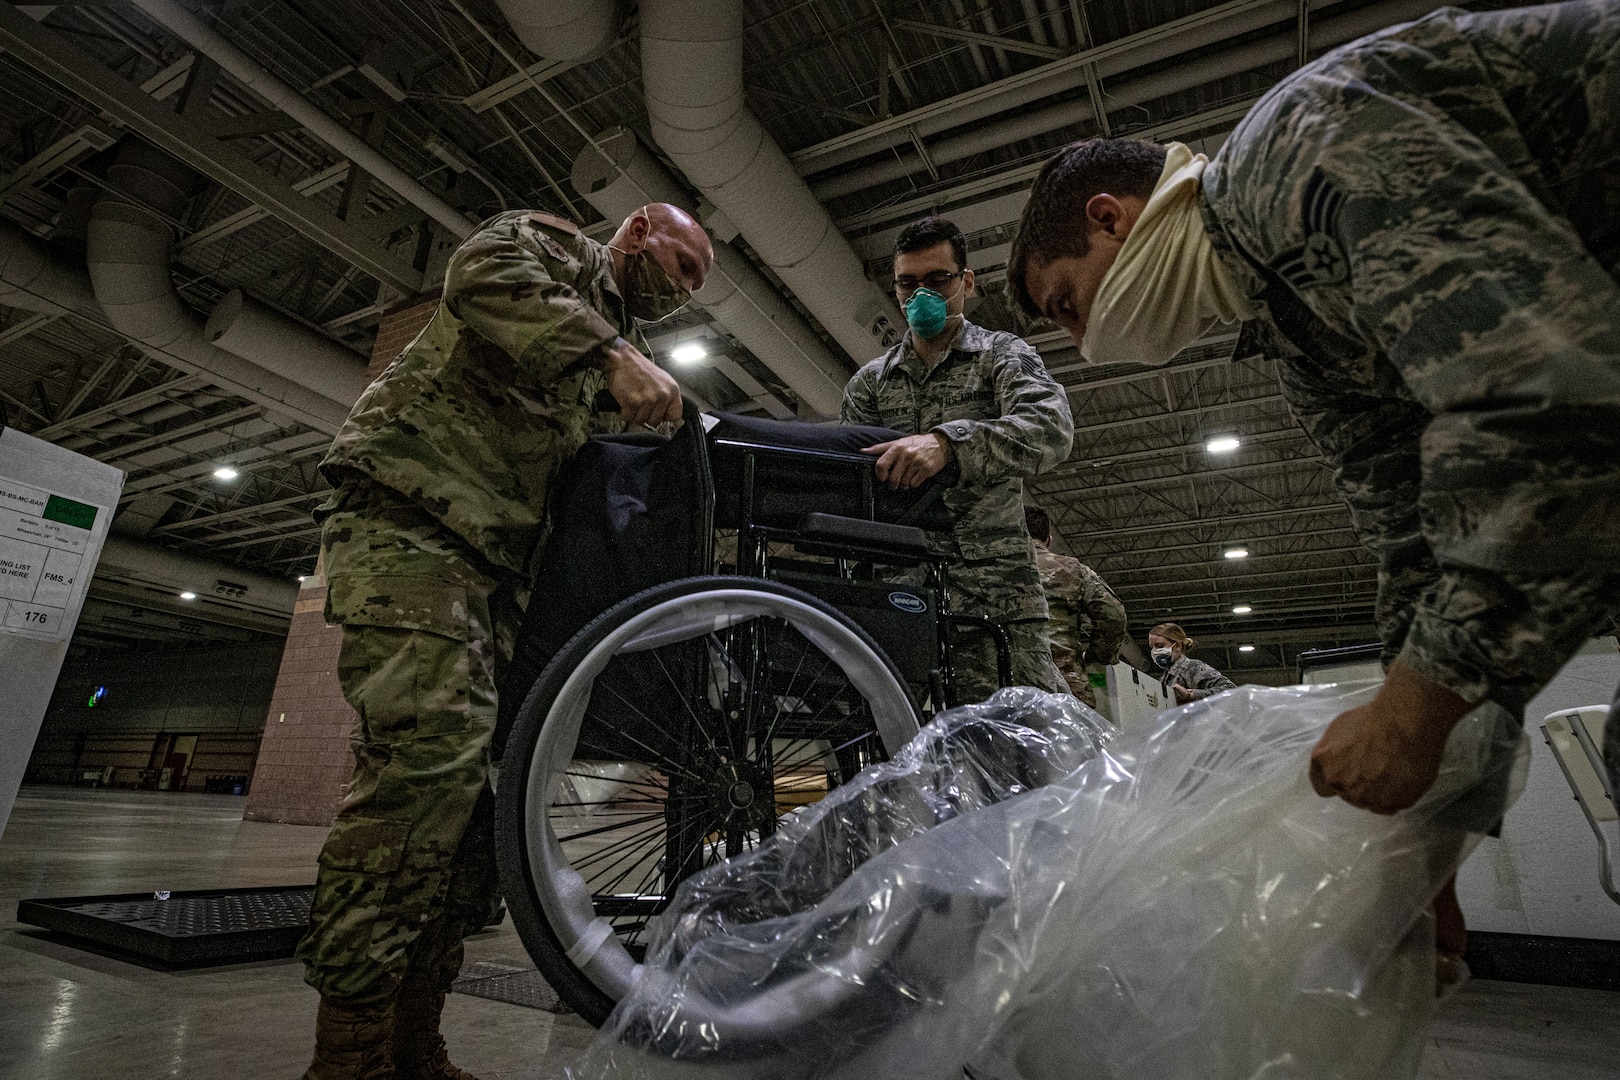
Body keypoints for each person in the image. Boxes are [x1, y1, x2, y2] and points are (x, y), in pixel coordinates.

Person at [1008, 2, 1620, 976]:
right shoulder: (1298, 327)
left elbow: (1543, 407)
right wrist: (1424, 840)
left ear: (1109, 218)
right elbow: (1411, 532)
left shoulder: (1296, 152)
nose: (1085, 347)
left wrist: (1418, 715)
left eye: (1067, 306)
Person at [295, 203, 712, 1080]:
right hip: (412, 515)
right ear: (639, 231)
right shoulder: (554, 251)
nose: (683, 294)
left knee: (487, 798)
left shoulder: (612, 352)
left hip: (499, 560)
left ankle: (413, 1043)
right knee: (428, 765)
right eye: (684, 267)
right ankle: (348, 1056)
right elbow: (479, 275)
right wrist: (614, 352)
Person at [842, 216, 1074, 704]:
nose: (920, 294)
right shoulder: (870, 383)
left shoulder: (1000, 355)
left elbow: (1050, 429)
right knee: (884, 750)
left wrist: (948, 444)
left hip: (994, 596)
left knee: (1017, 749)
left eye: (937, 280)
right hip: (898, 594)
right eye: (908, 283)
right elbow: (851, 488)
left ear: (966, 283)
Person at [1023, 504, 1127, 709]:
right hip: (1063, 687)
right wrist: (1100, 656)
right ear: (1049, 540)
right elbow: (1114, 615)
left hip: (999, 689)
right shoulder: (1073, 570)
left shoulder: (986, 569)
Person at [1145, 622, 1236, 705]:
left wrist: (1191, 694)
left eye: (1160, 646)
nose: (1154, 651)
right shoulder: (1164, 678)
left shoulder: (1193, 668)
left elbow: (1231, 690)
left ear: (1177, 646)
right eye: (1151, 647)